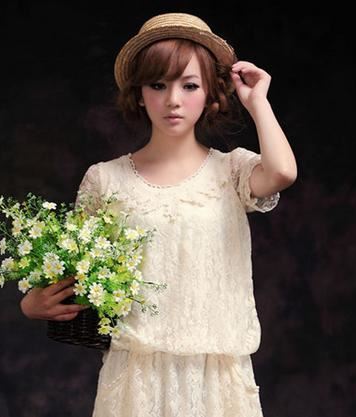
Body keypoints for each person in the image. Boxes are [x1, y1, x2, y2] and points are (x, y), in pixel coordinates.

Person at [20, 12, 297, 416]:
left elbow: (283, 172)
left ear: (210, 93)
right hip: (136, 378)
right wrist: (32, 304)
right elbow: (77, 271)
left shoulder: (232, 171)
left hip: (217, 376)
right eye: (157, 85)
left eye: (189, 85)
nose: (173, 100)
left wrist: (258, 104)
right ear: (138, 94)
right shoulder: (105, 180)